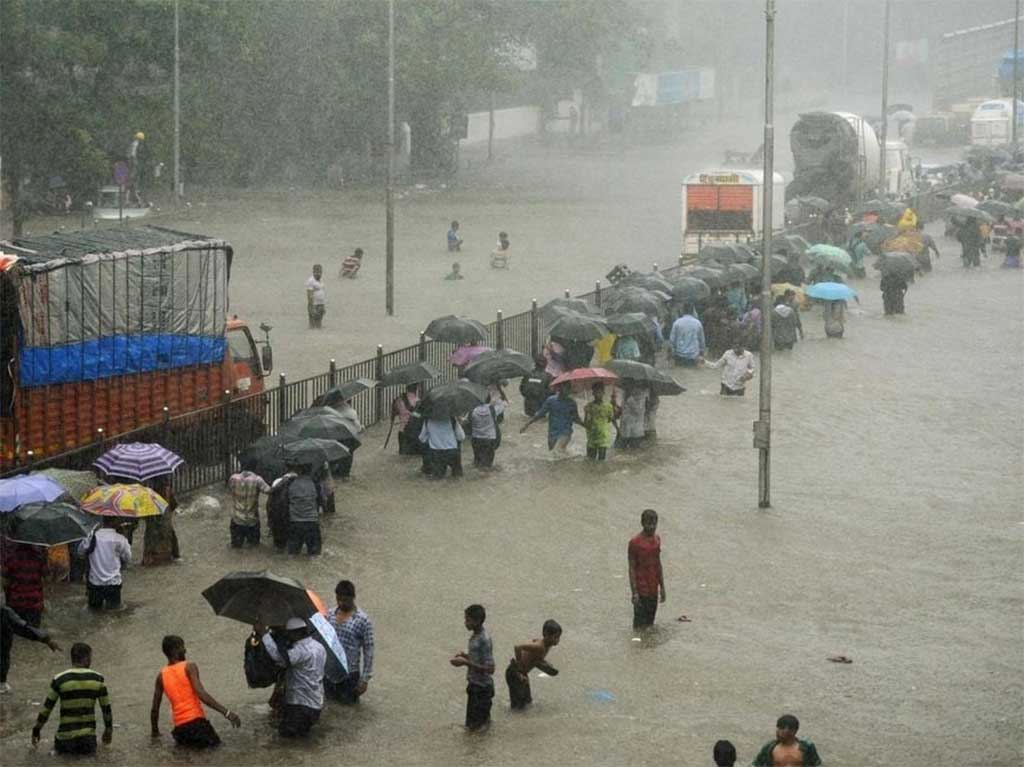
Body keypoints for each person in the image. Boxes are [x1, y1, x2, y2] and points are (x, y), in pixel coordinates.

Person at [151, 635, 240, 749]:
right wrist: (227, 713)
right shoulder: (189, 667)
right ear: (175, 650)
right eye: (182, 647)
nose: (185, 650)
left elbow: (154, 709)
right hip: (198, 725)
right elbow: (201, 694)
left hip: (180, 731)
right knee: (218, 753)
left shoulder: (161, 676)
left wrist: (155, 734)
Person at [32, 643, 112, 755]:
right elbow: (106, 709)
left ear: (72, 658)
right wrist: (108, 730)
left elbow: (47, 709)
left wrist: (36, 730)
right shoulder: (98, 679)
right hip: (88, 740)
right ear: (87, 658)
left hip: (64, 739)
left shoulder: (59, 679)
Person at [257, 617, 326, 738]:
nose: (287, 637)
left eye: (289, 634)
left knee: (286, 741)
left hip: (300, 705)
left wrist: (264, 634)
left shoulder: (300, 651)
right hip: (316, 703)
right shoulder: (320, 647)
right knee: (301, 739)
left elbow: (279, 658)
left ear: (296, 633)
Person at [1, 592, 60, 695]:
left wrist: (46, 639)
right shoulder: (4, 613)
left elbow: (23, 628)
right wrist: (46, 639)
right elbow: (23, 628)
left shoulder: (4, 613)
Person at [327, 580, 374, 705]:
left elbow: (368, 650)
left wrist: (365, 679)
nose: (341, 603)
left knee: (347, 708)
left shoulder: (363, 620)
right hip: (329, 671)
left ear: (353, 598)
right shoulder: (330, 615)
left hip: (349, 674)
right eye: (338, 599)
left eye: (344, 600)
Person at [450, 604, 494, 732]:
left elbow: (490, 669)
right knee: (473, 729)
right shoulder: (475, 636)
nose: (465, 623)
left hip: (482, 690)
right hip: (475, 686)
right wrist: (466, 656)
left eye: (467, 620)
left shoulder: (484, 640)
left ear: (477, 621)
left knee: (476, 730)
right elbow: (479, 660)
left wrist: (465, 663)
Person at [505, 619, 562, 710]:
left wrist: (543, 663)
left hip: (522, 674)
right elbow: (517, 646)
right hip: (515, 673)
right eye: (555, 637)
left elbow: (534, 656)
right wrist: (519, 667)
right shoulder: (540, 647)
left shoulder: (547, 645)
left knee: (527, 702)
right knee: (518, 708)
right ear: (546, 635)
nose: (557, 640)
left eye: (559, 637)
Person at [80, 518, 131, 610]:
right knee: (115, 613)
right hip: (113, 583)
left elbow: (80, 552)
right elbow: (127, 558)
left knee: (94, 612)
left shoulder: (92, 537)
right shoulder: (120, 539)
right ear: (114, 522)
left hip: (95, 583)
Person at [628, 509, 665, 630]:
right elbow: (632, 568)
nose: (652, 527)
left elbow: (658, 564)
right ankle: (638, 648)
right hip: (641, 590)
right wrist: (634, 593)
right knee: (638, 627)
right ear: (642, 523)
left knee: (650, 626)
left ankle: (649, 647)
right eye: (649, 524)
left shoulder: (657, 540)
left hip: (653, 589)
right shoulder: (635, 543)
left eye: (654, 524)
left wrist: (662, 587)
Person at [520, 383, 584, 452]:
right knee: (554, 453)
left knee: (556, 450)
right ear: (559, 388)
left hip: (566, 432)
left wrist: (586, 426)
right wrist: (527, 424)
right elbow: (540, 414)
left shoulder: (572, 403)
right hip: (552, 432)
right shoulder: (551, 400)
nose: (567, 391)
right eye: (565, 388)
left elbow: (576, 418)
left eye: (568, 389)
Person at [1, 539, 47, 625]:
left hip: (16, 602)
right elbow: (47, 578)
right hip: (35, 602)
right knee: (34, 634)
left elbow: (5, 582)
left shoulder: (11, 558)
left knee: (18, 633)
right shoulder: (39, 558)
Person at [752, 714, 822, 766]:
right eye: (778, 728)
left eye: (782, 729)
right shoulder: (770, 747)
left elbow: (817, 764)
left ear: (793, 731)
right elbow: (755, 764)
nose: (778, 732)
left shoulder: (807, 747)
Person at [228, 470, 271, 548]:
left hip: (237, 519)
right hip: (252, 521)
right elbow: (269, 491)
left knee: (236, 547)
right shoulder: (258, 480)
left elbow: (230, 488)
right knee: (254, 546)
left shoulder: (233, 478)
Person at [143, 478, 179, 566]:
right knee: (168, 535)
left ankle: (151, 558)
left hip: (153, 519)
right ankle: (170, 555)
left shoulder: (149, 493)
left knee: (152, 537)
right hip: (165, 519)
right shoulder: (168, 491)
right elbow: (174, 504)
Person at [287, 467, 322, 556]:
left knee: (293, 555)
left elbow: (286, 502)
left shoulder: (290, 483)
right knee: (315, 555)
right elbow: (321, 502)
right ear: (310, 471)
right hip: (312, 523)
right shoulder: (315, 483)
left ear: (298, 471)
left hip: (295, 523)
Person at [469, 394, 504, 469]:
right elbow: (501, 408)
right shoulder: (492, 409)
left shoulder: (473, 410)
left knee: (477, 463)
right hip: (489, 439)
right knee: (487, 465)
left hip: (476, 439)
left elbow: (469, 423)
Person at [332, 397, 364, 481]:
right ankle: (345, 474)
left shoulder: (333, 411)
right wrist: (361, 428)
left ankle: (337, 471)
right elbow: (357, 427)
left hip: (337, 437)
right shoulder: (351, 412)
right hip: (349, 438)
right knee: (349, 455)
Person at [583, 382, 616, 460]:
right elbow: (586, 422)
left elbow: (611, 419)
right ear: (593, 393)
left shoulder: (608, 406)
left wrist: (618, 430)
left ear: (603, 393)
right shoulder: (589, 406)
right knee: (590, 460)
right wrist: (586, 412)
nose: (598, 394)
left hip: (603, 437)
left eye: (600, 392)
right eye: (596, 392)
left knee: (601, 460)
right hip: (591, 437)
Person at [267, 469, 298, 552]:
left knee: (279, 547)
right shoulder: (297, 484)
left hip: (277, 518)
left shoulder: (277, 482)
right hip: (291, 519)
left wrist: (270, 521)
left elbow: (269, 503)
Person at [616, 381, 648, 448]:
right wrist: (615, 406)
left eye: (626, 387)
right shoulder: (626, 398)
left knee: (633, 451)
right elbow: (623, 411)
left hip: (635, 431)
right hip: (625, 431)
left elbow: (638, 412)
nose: (624, 389)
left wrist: (630, 401)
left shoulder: (637, 398)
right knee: (623, 452)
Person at [390, 384, 420, 454]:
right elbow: (419, 416)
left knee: (402, 453)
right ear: (416, 389)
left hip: (401, 431)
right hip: (412, 432)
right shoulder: (417, 401)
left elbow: (394, 413)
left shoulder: (398, 399)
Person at [305, 264, 326, 328]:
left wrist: (323, 306)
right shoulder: (311, 281)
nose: (319, 274)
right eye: (317, 272)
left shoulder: (320, 281)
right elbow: (309, 295)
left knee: (319, 325)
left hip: (320, 304)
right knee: (312, 325)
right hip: (314, 305)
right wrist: (312, 308)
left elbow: (321, 292)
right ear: (313, 272)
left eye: (320, 272)